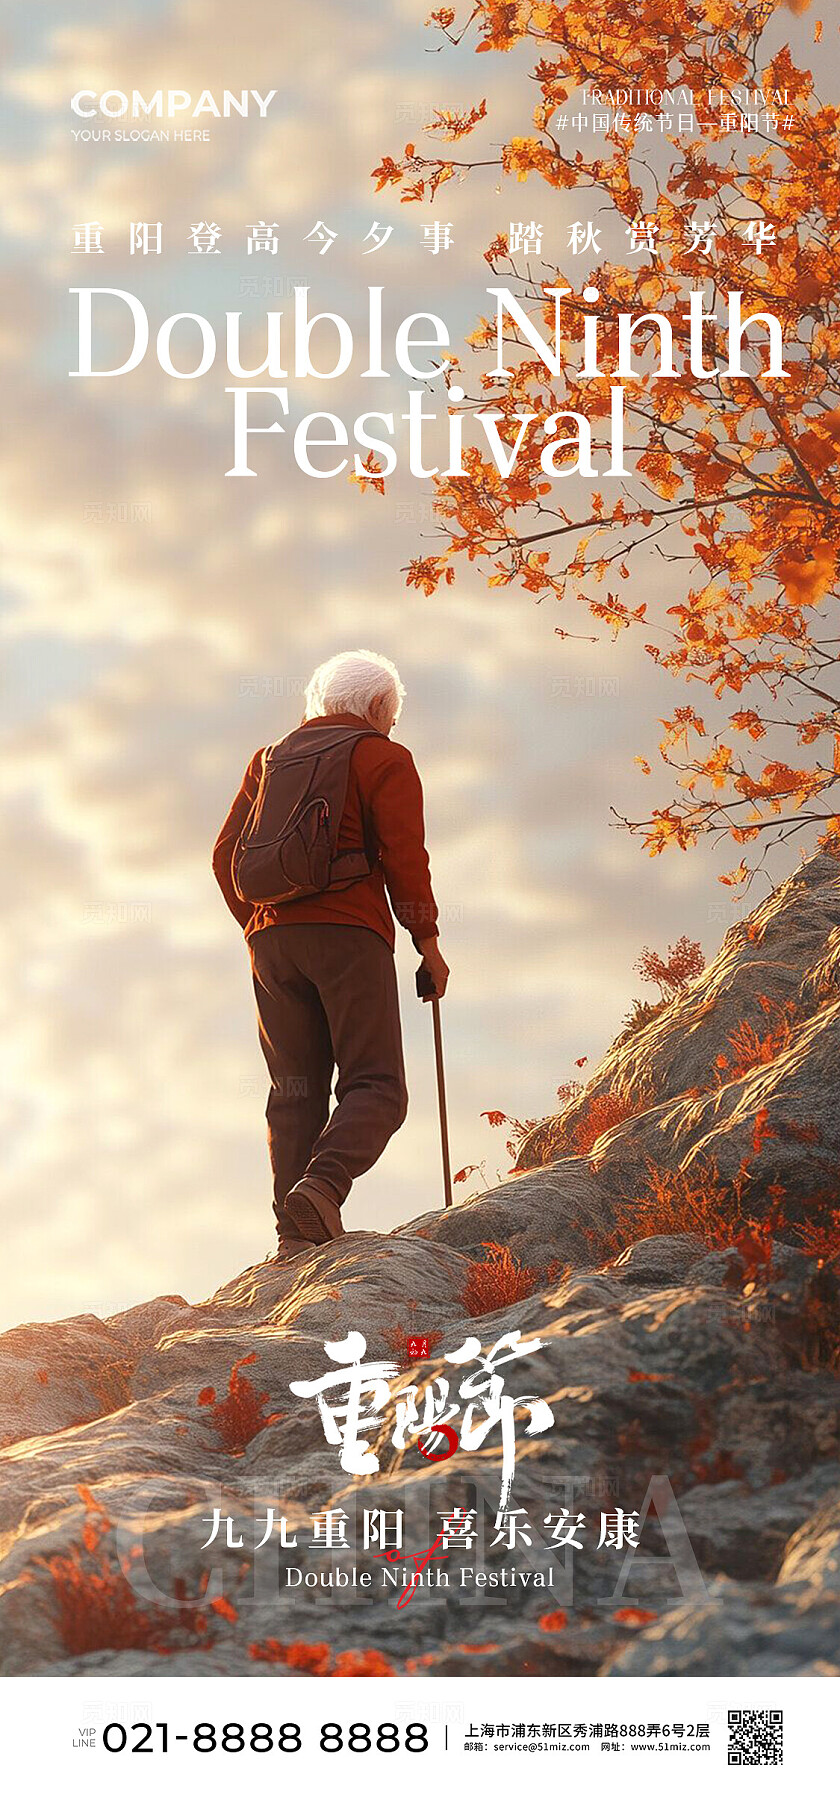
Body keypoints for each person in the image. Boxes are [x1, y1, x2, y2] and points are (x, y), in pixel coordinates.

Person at [213, 649, 449, 1261]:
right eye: (390, 717)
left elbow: (223, 856)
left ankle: (293, 1236)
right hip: (350, 934)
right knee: (377, 1085)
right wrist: (428, 944)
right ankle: (323, 1187)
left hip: (271, 943)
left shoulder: (267, 761)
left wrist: (261, 930)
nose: (391, 727)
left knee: (293, 1089)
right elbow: (405, 861)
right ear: (376, 708)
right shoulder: (383, 757)